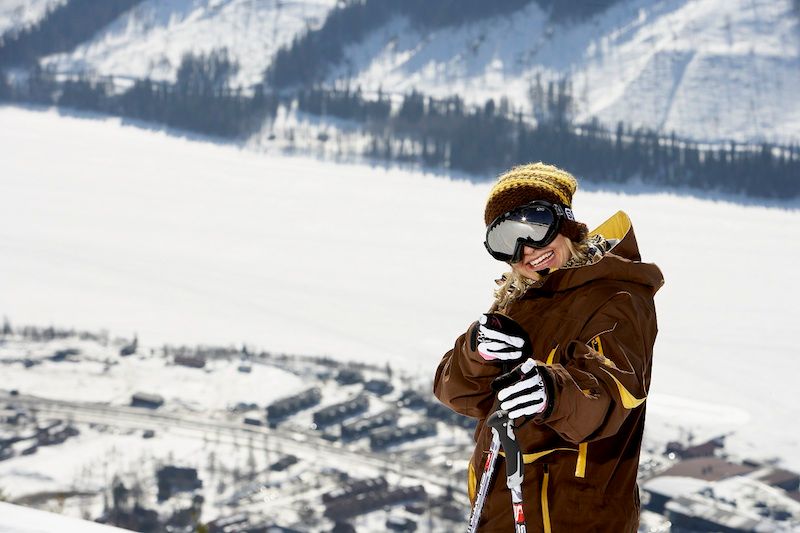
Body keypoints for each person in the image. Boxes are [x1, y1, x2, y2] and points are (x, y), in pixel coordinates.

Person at [434, 162, 664, 532]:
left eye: (535, 227)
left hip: (572, 518)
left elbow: (613, 393)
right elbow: (456, 393)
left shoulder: (617, 296)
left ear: (566, 224)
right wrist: (477, 352)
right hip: (502, 513)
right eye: (507, 240)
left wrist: (551, 392)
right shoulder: (518, 302)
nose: (526, 250)